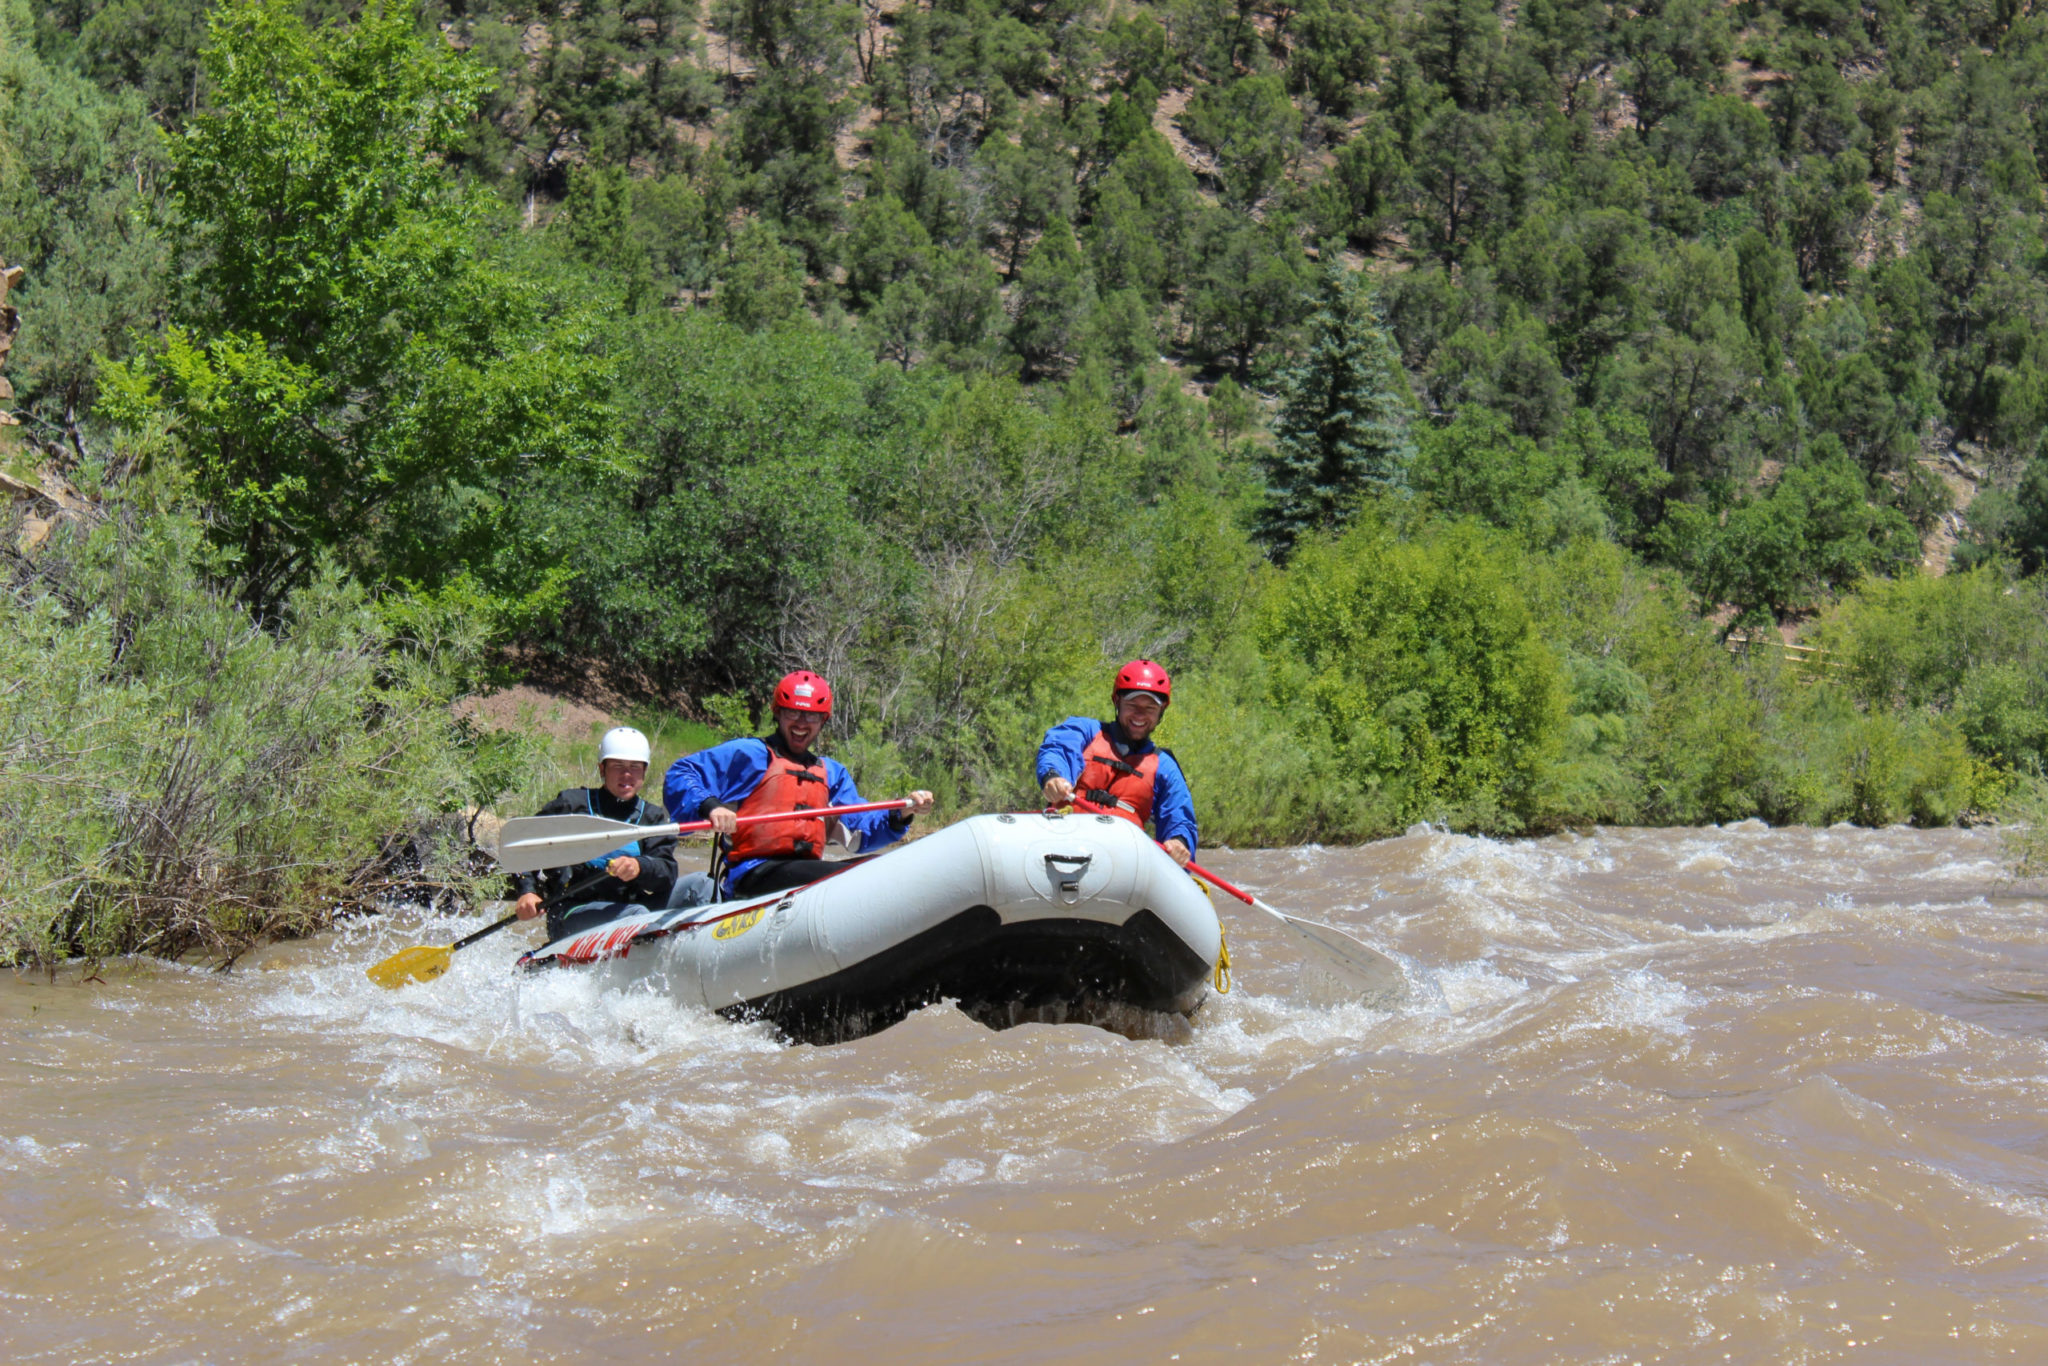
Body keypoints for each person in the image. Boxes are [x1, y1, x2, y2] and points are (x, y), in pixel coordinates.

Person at [664, 670, 935, 898]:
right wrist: (710, 806)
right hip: (754, 873)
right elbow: (682, 773)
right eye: (793, 713)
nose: (802, 724)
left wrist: (901, 814)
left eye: (812, 717)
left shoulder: (832, 773)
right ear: (778, 714)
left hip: (803, 873)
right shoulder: (750, 755)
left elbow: (861, 826)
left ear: (822, 721)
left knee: (878, 867)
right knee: (841, 877)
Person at [510, 726, 709, 939]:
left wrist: (640, 867)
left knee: (703, 884)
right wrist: (527, 891)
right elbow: (522, 841)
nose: (627, 774)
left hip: (631, 906)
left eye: (635, 767)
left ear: (644, 771)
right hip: (571, 913)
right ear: (602, 769)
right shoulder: (572, 804)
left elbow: (666, 874)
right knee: (637, 915)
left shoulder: (652, 818)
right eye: (617, 766)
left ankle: (709, 942)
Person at [1037, 659, 1198, 867]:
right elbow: (1058, 748)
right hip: (1064, 844)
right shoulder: (1085, 731)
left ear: (1161, 712)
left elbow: (1179, 816)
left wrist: (1179, 841)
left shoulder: (1165, 766)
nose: (1140, 715)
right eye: (1132, 705)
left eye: (1149, 708)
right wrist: (1053, 776)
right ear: (1117, 702)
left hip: (1123, 863)